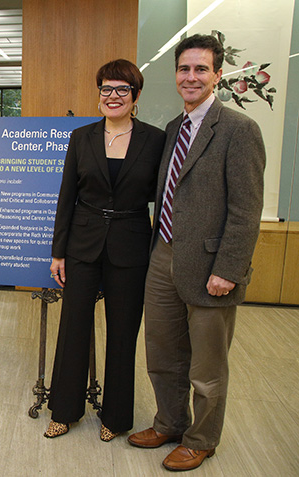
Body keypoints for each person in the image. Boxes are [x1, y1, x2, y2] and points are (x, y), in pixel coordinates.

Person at [128, 34, 265, 471]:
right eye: (184, 69)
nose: (191, 77)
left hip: (211, 266)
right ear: (176, 75)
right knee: (163, 353)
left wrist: (229, 268)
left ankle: (202, 438)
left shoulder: (239, 130)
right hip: (163, 256)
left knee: (206, 367)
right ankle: (169, 421)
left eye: (201, 69)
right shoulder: (173, 129)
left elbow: (246, 209)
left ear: (217, 75)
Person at [46, 59, 165, 441]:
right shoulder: (81, 137)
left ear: (135, 96)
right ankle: (64, 410)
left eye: (122, 90)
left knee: (123, 332)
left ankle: (116, 417)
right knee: (73, 328)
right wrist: (58, 251)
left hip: (130, 245)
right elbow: (67, 196)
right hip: (82, 243)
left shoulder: (155, 139)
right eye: (106, 89)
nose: (113, 97)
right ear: (98, 95)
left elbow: (160, 198)